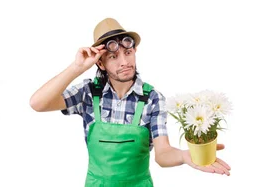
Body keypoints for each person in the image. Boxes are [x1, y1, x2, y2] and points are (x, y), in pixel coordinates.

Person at [29, 17, 231, 186]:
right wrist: (77, 67)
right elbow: (38, 103)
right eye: (113, 57)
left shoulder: (153, 98)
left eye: (128, 53)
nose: (124, 62)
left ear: (134, 51)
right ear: (100, 62)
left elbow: (163, 154)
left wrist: (185, 156)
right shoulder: (88, 93)